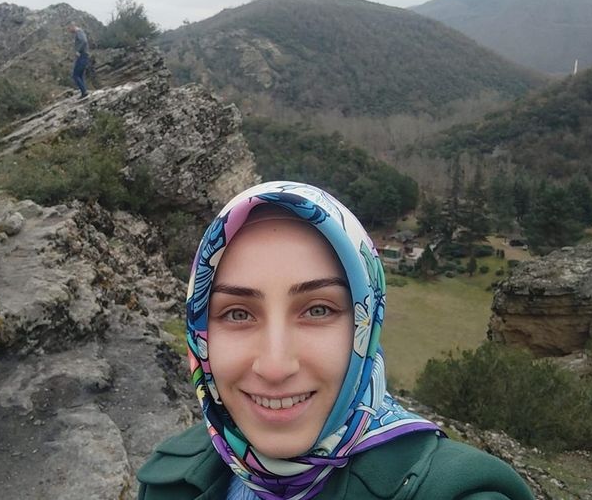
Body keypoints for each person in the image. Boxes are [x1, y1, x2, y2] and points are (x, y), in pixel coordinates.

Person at [137, 181, 534, 499]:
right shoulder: (167, 481)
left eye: (317, 310)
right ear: (201, 336)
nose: (275, 367)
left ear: (365, 323)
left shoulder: (449, 490)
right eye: (238, 314)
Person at [67, 23, 89, 98]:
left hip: (82, 55)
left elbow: (84, 41)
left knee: (75, 75)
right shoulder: (80, 32)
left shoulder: (79, 32)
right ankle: (84, 91)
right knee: (80, 75)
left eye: (69, 29)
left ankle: (84, 91)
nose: (69, 31)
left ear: (72, 26)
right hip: (84, 55)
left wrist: (78, 51)